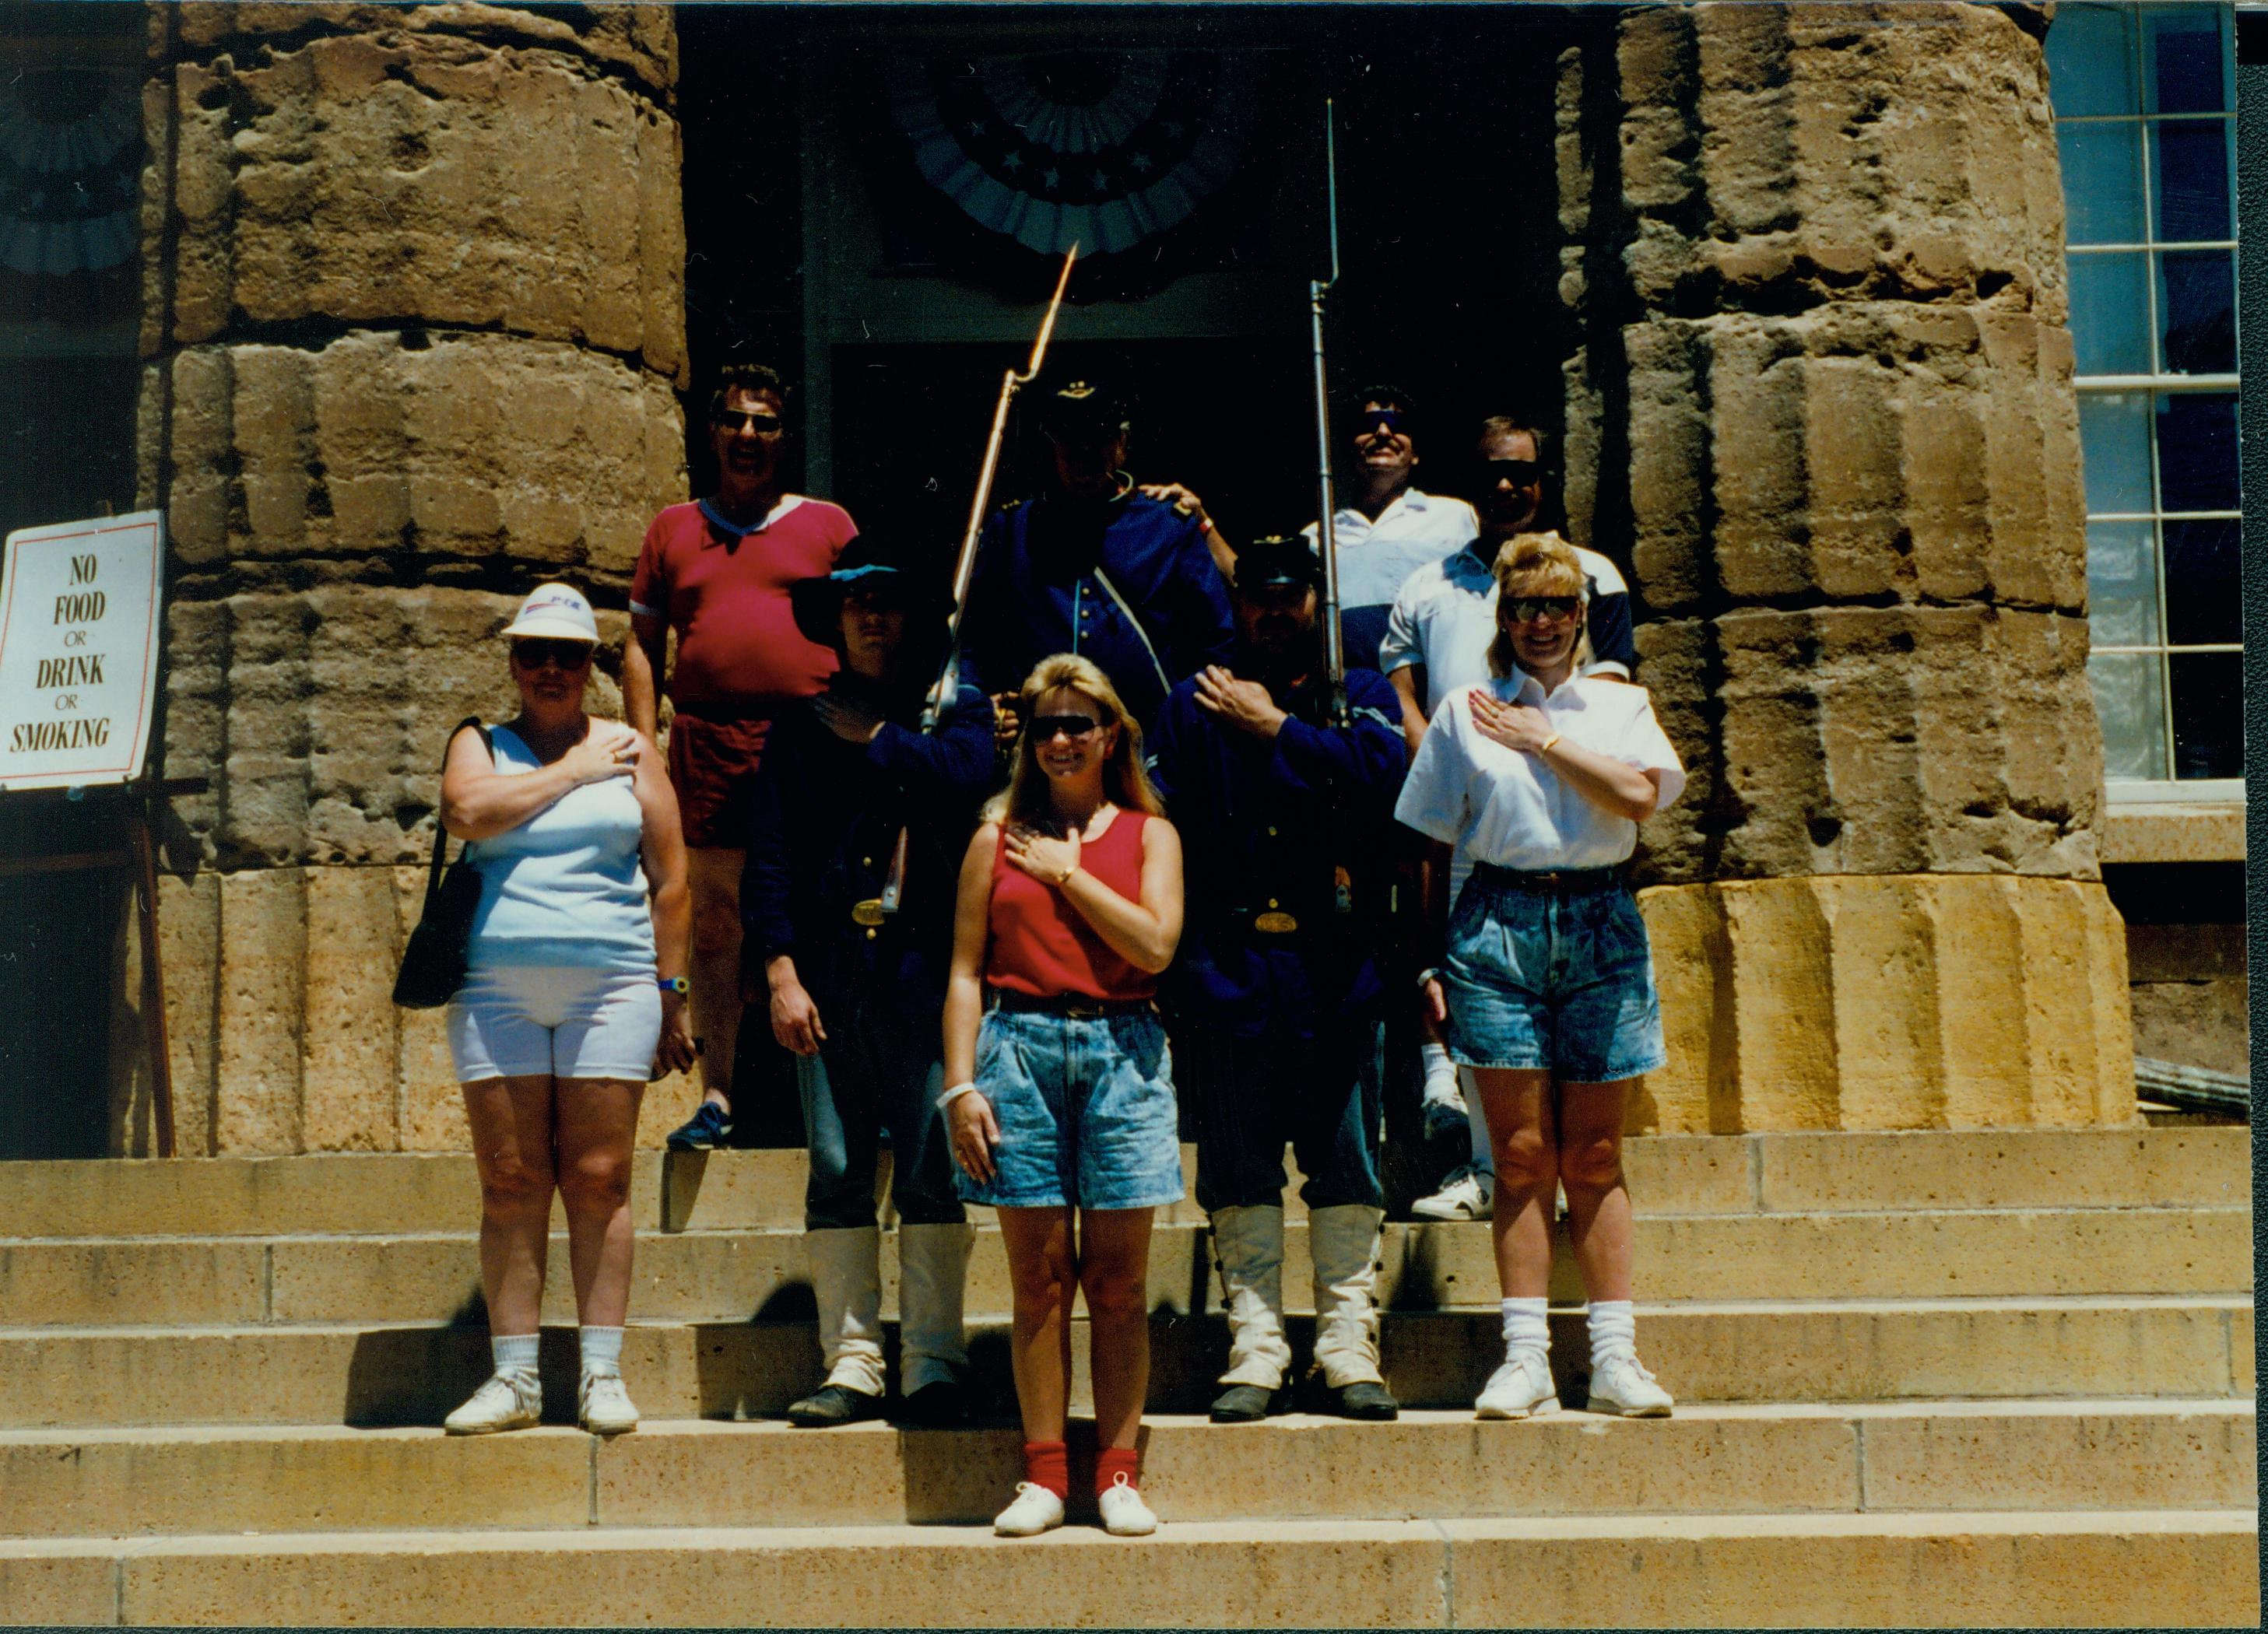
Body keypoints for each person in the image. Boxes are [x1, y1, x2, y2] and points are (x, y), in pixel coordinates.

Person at [1393, 532, 1684, 1420]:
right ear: (1503, 619)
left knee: (1594, 1154)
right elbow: (1426, 843)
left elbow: (1641, 799)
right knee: (1519, 1157)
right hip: (1499, 926)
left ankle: (1612, 1356)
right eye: (1523, 608)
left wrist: (1547, 739)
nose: (1541, 623)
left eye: (1557, 606)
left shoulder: (1618, 705)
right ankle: (1523, 1357)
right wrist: (1425, 959)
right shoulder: (1464, 711)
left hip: (1599, 918)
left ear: (1581, 614)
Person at [1147, 537, 1409, 1424]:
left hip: (1335, 972)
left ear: (1314, 602)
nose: (1272, 612)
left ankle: (1343, 1345)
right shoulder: (1190, 703)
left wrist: (1278, 732)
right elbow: (1155, 820)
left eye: (1288, 597)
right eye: (1257, 597)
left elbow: (1389, 783)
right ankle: (1255, 1346)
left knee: (1344, 1162)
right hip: (1227, 971)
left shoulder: (1357, 695)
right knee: (1237, 1166)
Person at [740, 536, 996, 1429]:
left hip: (924, 979)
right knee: (840, 1169)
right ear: (838, 621)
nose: (875, 618)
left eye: (890, 603)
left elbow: (973, 776)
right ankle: (851, 1362)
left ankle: (931, 1360)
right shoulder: (798, 727)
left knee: (931, 1170)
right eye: (859, 605)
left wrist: (882, 740)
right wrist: (780, 971)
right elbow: (768, 857)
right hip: (828, 979)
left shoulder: (950, 714)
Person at [437, 583, 698, 1437]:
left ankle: (600, 1372)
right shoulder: (480, 742)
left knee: (599, 1179)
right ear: (512, 660)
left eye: (569, 655)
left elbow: (671, 879)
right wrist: (572, 774)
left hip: (613, 984)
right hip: (496, 988)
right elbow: (468, 812)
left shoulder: (632, 748)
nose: (550, 668)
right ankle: (514, 1379)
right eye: (533, 652)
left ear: (591, 667)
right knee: (511, 1182)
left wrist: (672, 994)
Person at [941, 654, 1185, 1538]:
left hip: (1123, 1048)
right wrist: (961, 1085)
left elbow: (1155, 946)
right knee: (1039, 1283)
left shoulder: (1150, 834)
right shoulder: (994, 836)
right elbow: (964, 970)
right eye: (1044, 725)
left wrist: (1067, 874)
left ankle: (1116, 1471)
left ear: (1110, 731)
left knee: (1117, 1284)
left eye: (1078, 722)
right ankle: (1044, 1473)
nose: (1060, 740)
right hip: (1019, 1048)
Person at [1381, 416, 1638, 1220]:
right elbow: (1401, 681)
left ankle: (1562, 1180)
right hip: (1469, 808)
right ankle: (1486, 1175)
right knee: (1478, 1000)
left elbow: (1613, 692)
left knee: (1560, 1008)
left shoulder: (1592, 574)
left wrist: (1549, 753)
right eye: (1492, 472)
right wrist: (1445, 761)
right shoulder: (1428, 583)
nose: (1506, 487)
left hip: (1560, 820)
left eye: (1521, 473)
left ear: (1542, 479)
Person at [623, 363, 859, 1151]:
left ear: (784, 437)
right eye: (734, 421)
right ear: (713, 431)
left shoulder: (828, 524)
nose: (749, 436)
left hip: (808, 744)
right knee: (718, 924)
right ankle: (719, 1098)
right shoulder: (672, 528)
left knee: (824, 913)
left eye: (765, 423)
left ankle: (848, 1096)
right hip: (709, 744)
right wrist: (641, 754)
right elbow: (639, 644)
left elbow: (867, 623)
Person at [961, 380, 1234, 748]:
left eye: (1098, 434)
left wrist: (1182, 726)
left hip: (1147, 742)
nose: (1084, 449)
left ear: (1122, 444)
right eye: (1069, 437)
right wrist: (984, 704)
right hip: (1044, 744)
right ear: (1052, 447)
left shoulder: (1167, 526)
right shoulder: (1013, 529)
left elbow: (1216, 642)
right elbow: (976, 639)